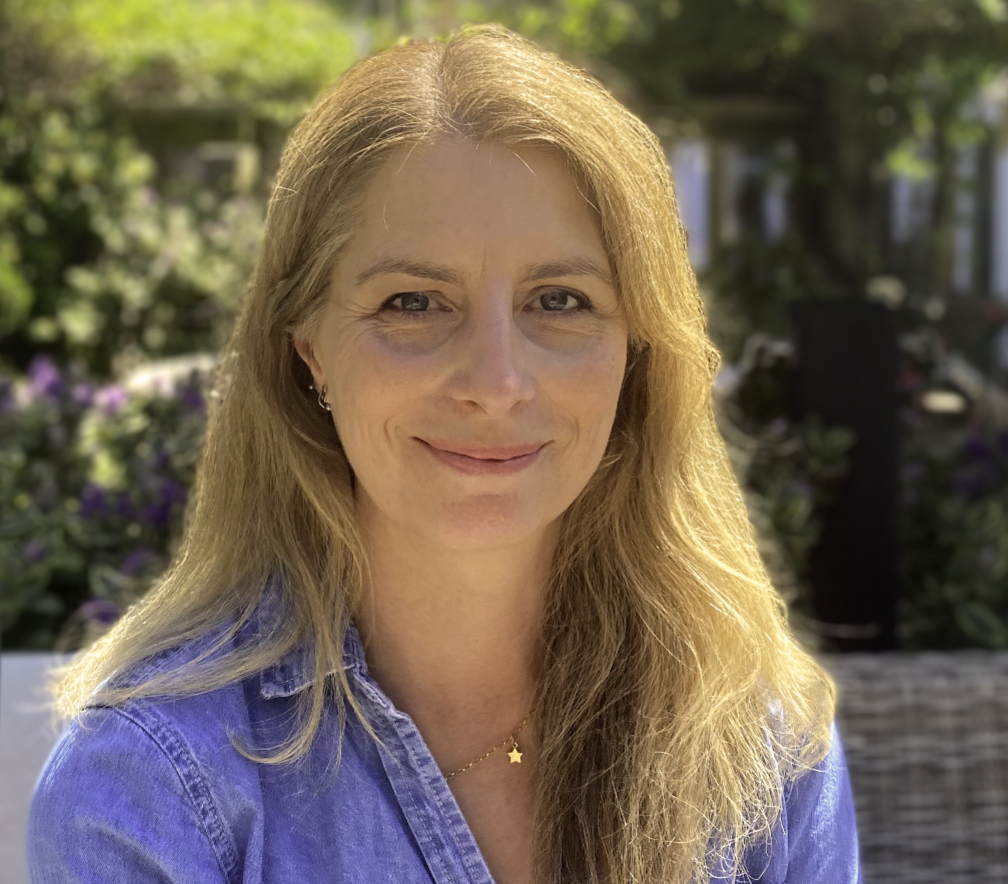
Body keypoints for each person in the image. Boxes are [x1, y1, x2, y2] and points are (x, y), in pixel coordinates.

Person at [28, 25, 860, 884]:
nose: (496, 383)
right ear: (310, 351)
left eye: (559, 300)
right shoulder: (151, 784)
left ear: (637, 353)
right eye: (414, 302)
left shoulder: (762, 745)